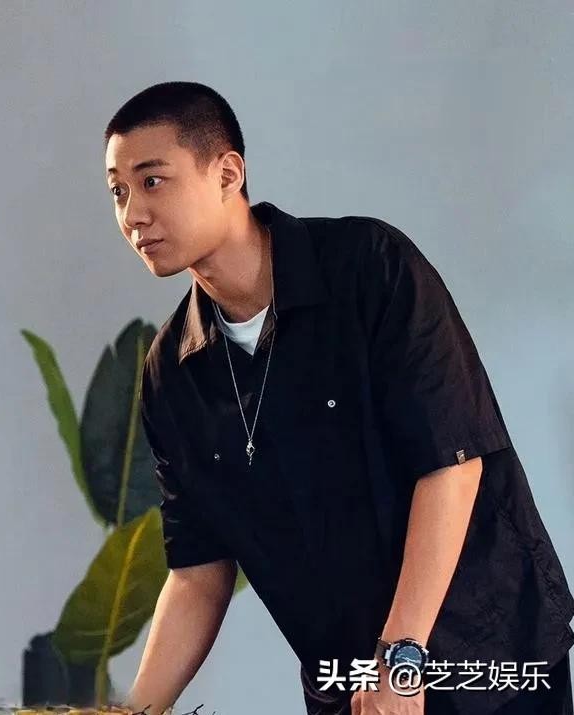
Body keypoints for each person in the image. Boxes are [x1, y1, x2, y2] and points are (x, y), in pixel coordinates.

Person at [104, 82, 574, 714]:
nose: (133, 214)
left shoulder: (369, 266)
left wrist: (401, 661)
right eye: (118, 191)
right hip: (349, 684)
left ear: (227, 174)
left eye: (153, 181)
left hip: (487, 657)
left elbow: (452, 465)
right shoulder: (171, 373)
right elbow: (197, 572)